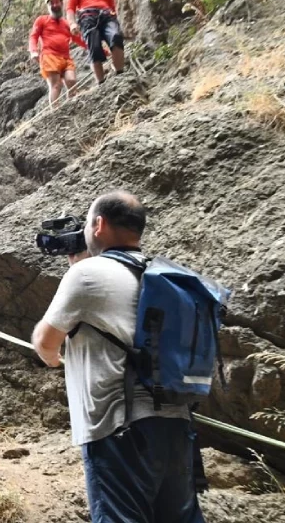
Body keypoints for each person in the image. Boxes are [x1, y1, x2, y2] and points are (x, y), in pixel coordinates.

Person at [30, 191, 204, 523]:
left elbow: (45, 341)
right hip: (178, 426)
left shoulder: (86, 274)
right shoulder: (161, 275)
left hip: (119, 429)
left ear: (99, 224)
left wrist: (54, 358)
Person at [67, 0, 126, 84]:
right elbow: (70, 8)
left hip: (106, 15)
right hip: (88, 17)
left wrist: (115, 19)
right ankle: (101, 82)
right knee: (94, 46)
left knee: (116, 36)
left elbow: (112, 10)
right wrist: (72, 23)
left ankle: (120, 73)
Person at [30, 0, 87, 108]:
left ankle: (73, 104)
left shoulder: (66, 24)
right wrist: (34, 51)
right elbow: (33, 36)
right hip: (49, 56)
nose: (55, 5)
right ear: (48, 6)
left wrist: (97, 49)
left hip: (65, 58)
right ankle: (55, 111)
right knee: (56, 85)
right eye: (51, 3)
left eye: (57, 2)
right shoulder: (42, 20)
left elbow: (79, 40)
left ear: (61, 3)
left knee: (71, 80)